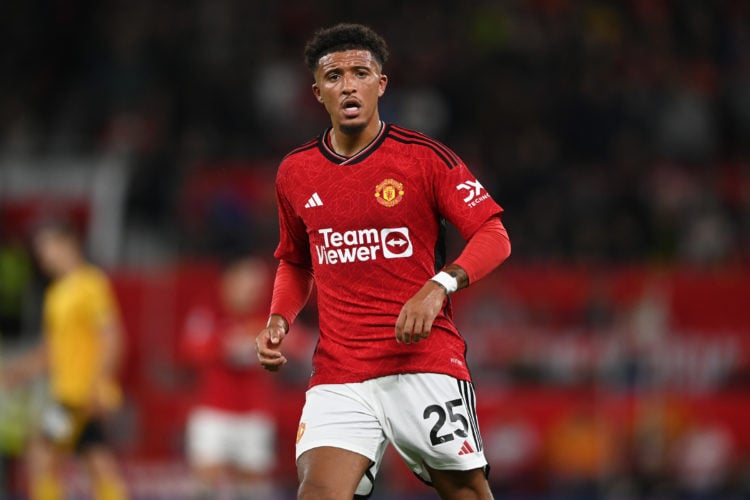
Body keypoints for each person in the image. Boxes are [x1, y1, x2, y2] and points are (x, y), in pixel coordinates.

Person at [255, 23, 511, 499]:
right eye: (334, 77)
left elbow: (494, 235)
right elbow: (295, 261)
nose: (348, 84)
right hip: (340, 370)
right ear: (317, 92)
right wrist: (278, 319)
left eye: (360, 73)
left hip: (423, 361)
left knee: (466, 492)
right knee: (317, 493)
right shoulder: (295, 171)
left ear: (381, 84)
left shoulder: (424, 159)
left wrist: (439, 286)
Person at [0, 220, 127, 500]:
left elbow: (112, 335)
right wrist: (15, 373)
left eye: (46, 246)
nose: (42, 255)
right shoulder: (56, 294)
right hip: (68, 392)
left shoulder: (90, 284)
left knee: (42, 450)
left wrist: (101, 383)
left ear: (68, 244)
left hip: (79, 395)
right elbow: (51, 352)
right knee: (94, 458)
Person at [180, 256, 278, 499]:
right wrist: (225, 346)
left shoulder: (269, 317)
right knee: (205, 483)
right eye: (248, 282)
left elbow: (292, 350)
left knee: (253, 487)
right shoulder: (207, 310)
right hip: (214, 409)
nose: (254, 290)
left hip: (254, 412)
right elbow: (190, 349)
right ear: (229, 281)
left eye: (258, 285)